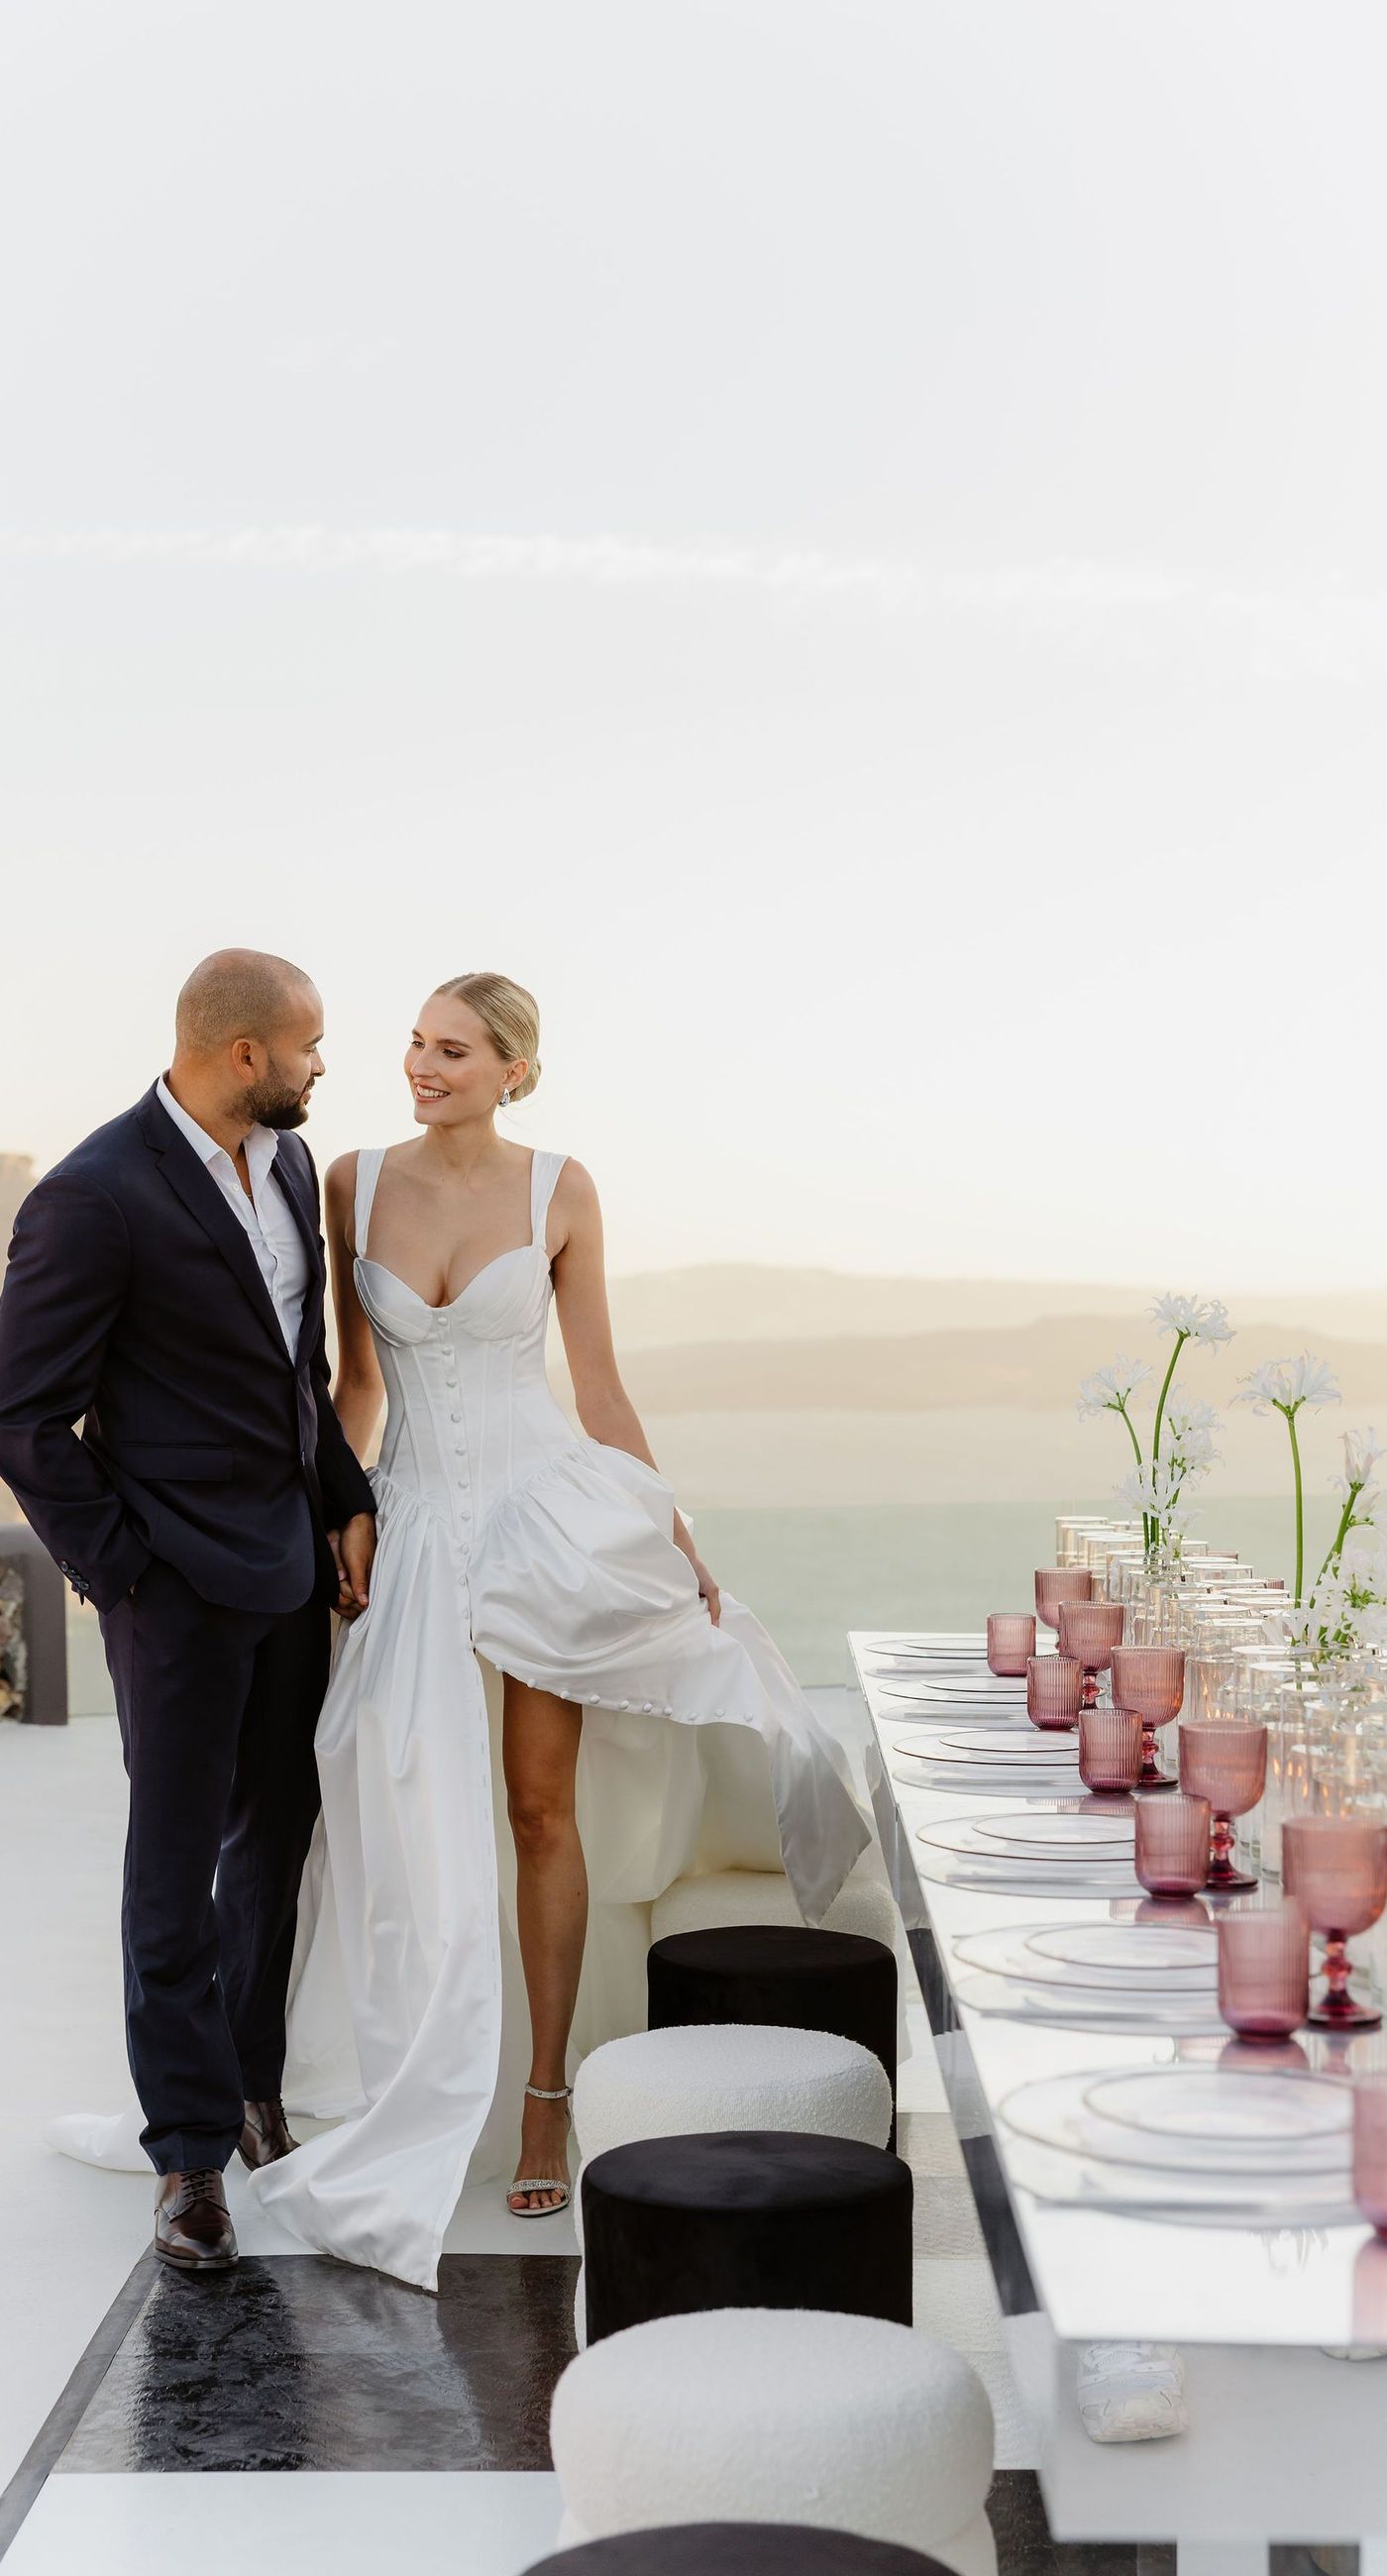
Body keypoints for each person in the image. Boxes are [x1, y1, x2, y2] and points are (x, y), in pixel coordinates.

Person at [251, 970, 874, 2289]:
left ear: (515, 1073)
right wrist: (334, 1517)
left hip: (543, 1524)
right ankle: (400, 2067)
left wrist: (671, 1529)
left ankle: (545, 2089)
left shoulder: (561, 1189)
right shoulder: (349, 1178)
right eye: (416, 1044)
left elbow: (597, 1384)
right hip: (412, 1520)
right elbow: (356, 1381)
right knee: (388, 1788)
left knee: (542, 1808)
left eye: (456, 1051)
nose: (424, 1066)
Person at [0, 951, 376, 2273]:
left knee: (275, 1833)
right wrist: (124, 1570)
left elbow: (297, 1368)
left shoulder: (284, 1166)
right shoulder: (95, 1197)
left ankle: (254, 2084)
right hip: (172, 1589)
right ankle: (188, 2160)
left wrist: (346, 1498)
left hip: (288, 1568)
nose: (325, 1063)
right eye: (309, 1044)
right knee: (171, 1871)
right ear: (239, 1055)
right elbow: (23, 1415)